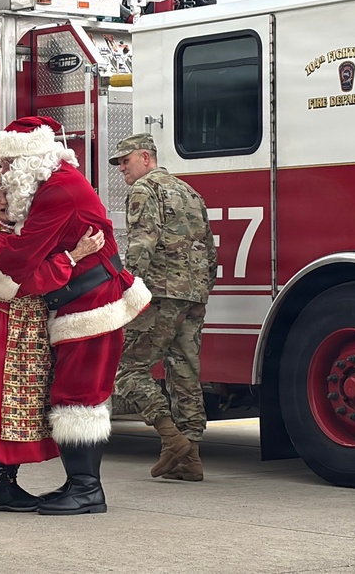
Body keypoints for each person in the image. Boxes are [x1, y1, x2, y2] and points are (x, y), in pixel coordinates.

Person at [0, 116, 151, 515]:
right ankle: (78, 484)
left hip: (92, 304)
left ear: (25, 161)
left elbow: (23, 254)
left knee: (79, 397)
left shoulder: (57, 190)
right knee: (74, 394)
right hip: (84, 301)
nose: (1, 174)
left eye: (5, 165)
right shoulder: (57, 182)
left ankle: (87, 490)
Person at [0, 166, 105, 512]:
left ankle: (3, 484)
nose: (3, 202)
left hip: (16, 324)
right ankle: (1, 487)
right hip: (7, 326)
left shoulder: (12, 230)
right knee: (6, 400)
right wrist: (75, 256)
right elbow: (27, 279)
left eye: (7, 193)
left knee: (13, 402)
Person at [109, 133, 217, 482]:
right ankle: (192, 458)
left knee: (128, 368)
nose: (121, 167)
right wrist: (201, 289)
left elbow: (142, 242)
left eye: (125, 160)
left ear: (145, 156)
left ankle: (172, 439)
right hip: (193, 294)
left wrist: (127, 290)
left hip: (160, 293)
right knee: (184, 370)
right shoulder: (190, 191)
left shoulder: (144, 189)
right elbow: (209, 247)